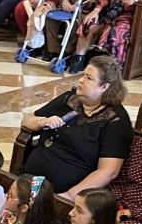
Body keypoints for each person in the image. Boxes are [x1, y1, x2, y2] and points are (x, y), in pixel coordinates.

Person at [19, 57, 132, 196]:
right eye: (83, 75)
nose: (81, 80)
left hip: (62, 193)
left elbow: (108, 172)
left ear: (104, 87)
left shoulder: (116, 122)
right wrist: (43, 121)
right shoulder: (69, 98)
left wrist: (70, 196)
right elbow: (26, 121)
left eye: (89, 78)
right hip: (28, 178)